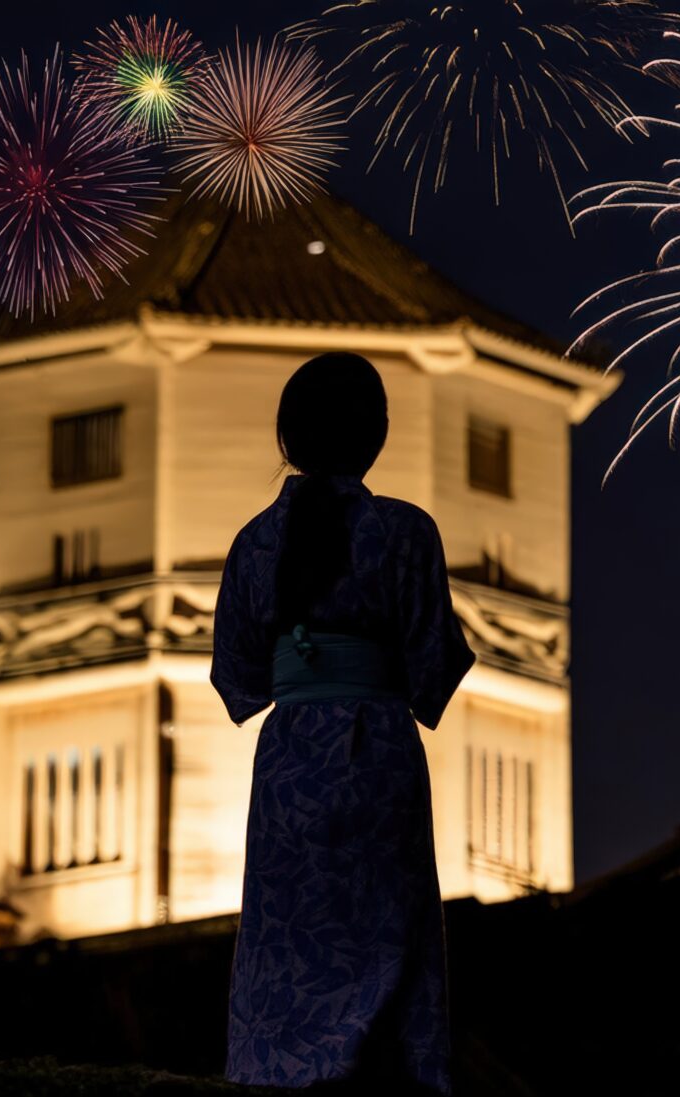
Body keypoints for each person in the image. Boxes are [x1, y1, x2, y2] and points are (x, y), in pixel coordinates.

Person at [212, 352, 474, 1094]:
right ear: (378, 434)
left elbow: (236, 677)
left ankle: (276, 1068)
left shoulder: (253, 544)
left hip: (289, 757)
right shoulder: (406, 533)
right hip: (379, 747)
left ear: (287, 438)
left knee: (287, 925)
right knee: (386, 920)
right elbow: (434, 668)